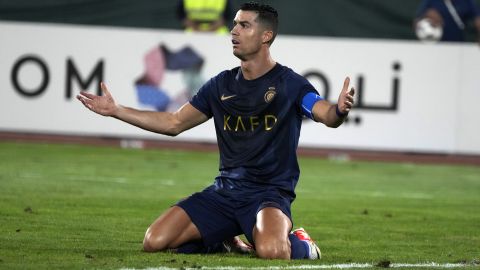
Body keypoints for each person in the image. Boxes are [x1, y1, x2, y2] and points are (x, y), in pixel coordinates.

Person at [77, 2, 355, 260]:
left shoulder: (291, 84)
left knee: (272, 251)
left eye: (244, 25)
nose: (233, 31)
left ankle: (302, 243)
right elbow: (174, 123)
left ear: (265, 36)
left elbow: (325, 114)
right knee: (155, 241)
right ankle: (223, 238)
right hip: (224, 192)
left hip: (268, 195)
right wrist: (117, 110)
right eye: (234, 23)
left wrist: (339, 110)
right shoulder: (220, 85)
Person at [414, 0, 480, 42]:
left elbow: (477, 18)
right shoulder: (432, 1)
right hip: (435, 44)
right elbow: (417, 22)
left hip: (458, 45)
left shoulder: (466, 2)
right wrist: (427, 15)